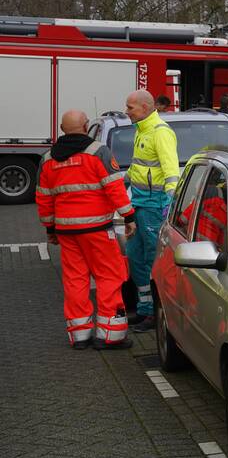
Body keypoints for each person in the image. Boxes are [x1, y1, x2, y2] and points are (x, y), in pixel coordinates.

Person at [36, 110, 137, 349]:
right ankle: (110, 336)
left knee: (75, 280)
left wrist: (50, 228)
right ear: (85, 125)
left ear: (62, 128)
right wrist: (129, 216)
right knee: (109, 277)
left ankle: (80, 335)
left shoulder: (48, 159)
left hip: (66, 232)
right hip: (98, 230)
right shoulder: (98, 152)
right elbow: (114, 188)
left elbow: (43, 199)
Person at [124, 90, 179, 332]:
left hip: (154, 206)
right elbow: (139, 168)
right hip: (139, 204)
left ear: (145, 108)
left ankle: (154, 313)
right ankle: (144, 308)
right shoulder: (142, 131)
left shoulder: (160, 132)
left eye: (130, 107)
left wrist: (169, 200)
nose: (127, 112)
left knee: (150, 259)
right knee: (135, 257)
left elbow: (170, 170)